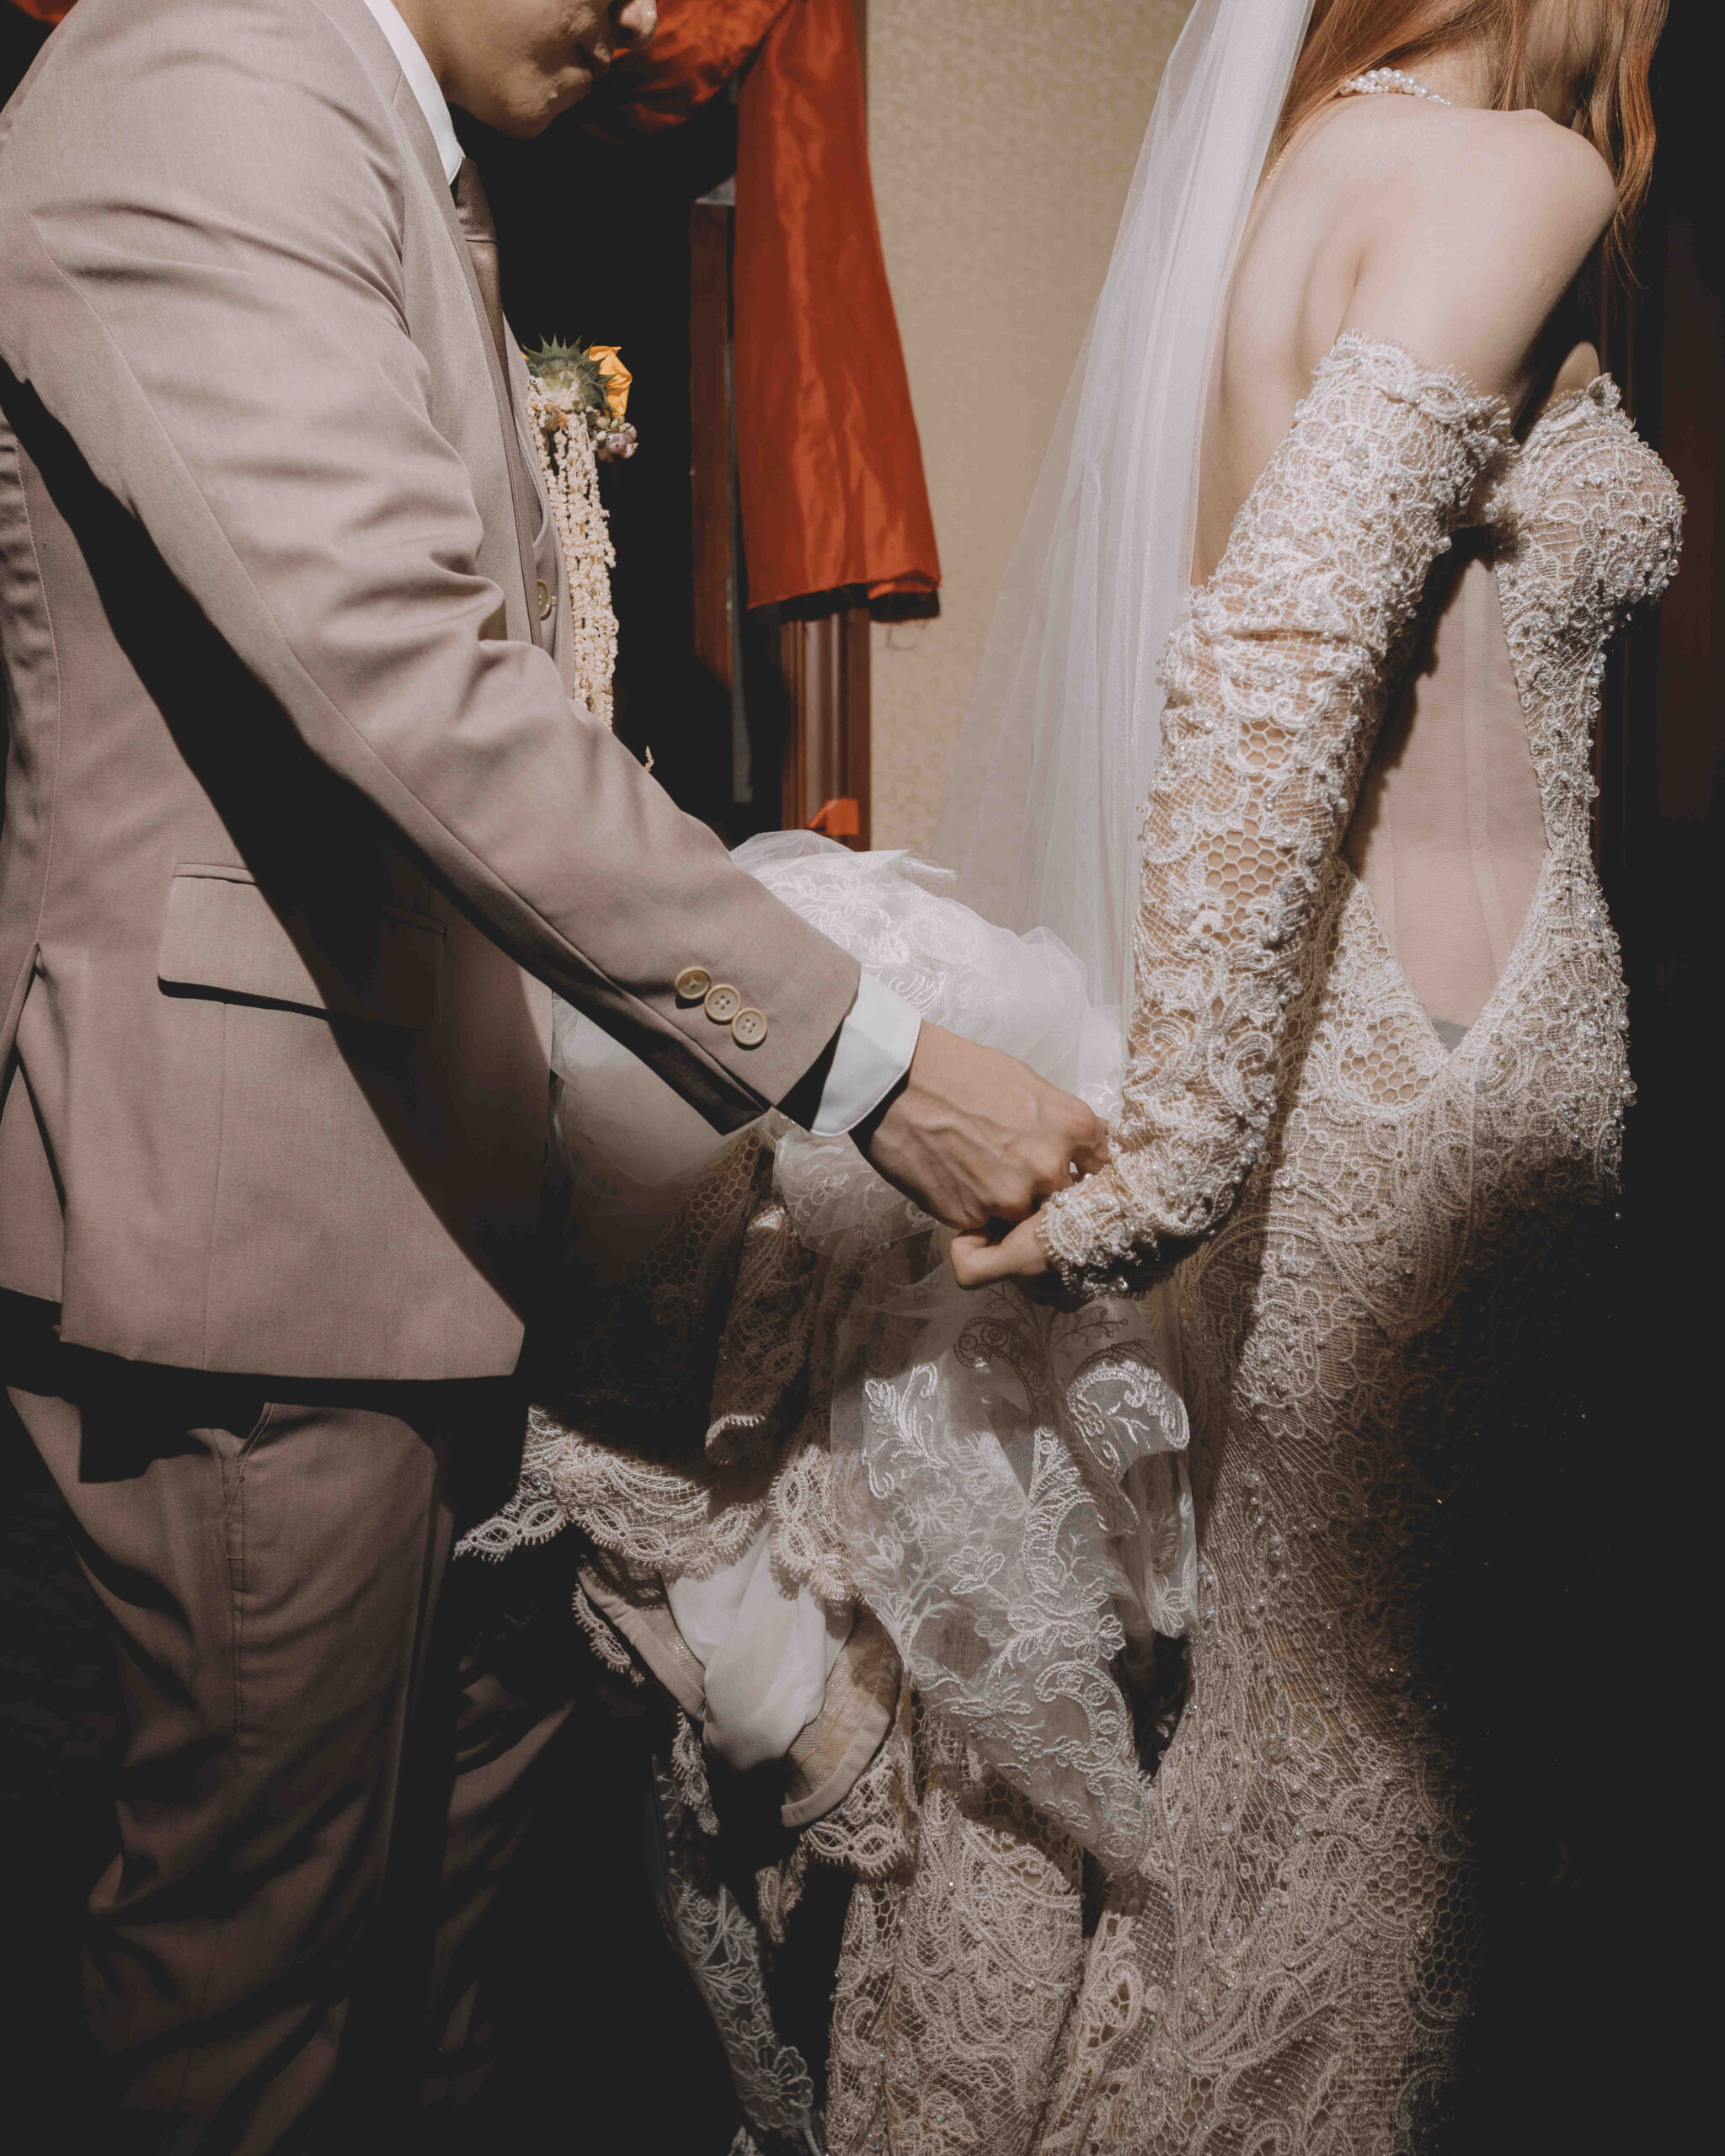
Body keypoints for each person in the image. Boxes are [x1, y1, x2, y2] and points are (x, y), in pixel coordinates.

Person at [477, 0, 1679, 2148]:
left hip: (1361, 1064)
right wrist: (1182, 1144)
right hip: (1459, 1089)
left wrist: (1211, 1116)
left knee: (1304, 1763)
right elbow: (1282, 650)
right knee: (1397, 1794)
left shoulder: (1323, 163)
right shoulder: (1518, 175)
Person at [0, 0, 1105, 2145]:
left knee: (434, 1974)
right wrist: (878, 1066)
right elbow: (409, 677)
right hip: (256, 1234)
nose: (641, 9)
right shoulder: (205, 76)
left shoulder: (383, 127)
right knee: (255, 2000)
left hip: (420, 1207)